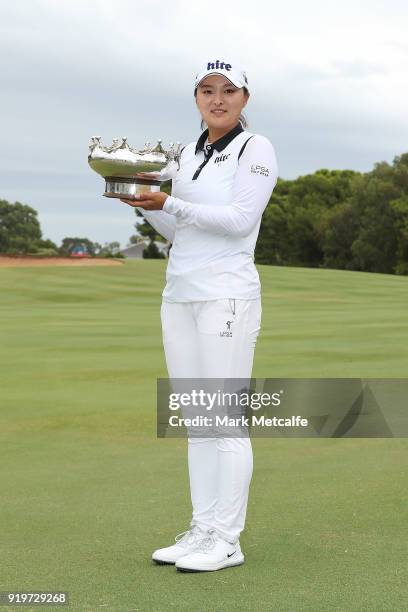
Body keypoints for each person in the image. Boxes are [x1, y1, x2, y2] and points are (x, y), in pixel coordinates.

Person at [120, 60, 278, 572]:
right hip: (180, 294)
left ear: (244, 98)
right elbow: (179, 231)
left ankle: (228, 540)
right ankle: (203, 529)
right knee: (197, 420)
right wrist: (145, 203)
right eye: (207, 90)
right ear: (196, 98)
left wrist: (172, 202)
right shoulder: (186, 153)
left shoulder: (256, 149)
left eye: (228, 90)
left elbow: (238, 222)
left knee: (226, 422)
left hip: (226, 295)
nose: (217, 98)